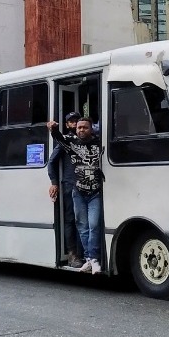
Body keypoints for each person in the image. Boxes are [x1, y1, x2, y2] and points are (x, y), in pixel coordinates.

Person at [47, 117, 104, 274]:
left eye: (85, 127)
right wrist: (53, 129)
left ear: (91, 129)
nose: (81, 130)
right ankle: (89, 259)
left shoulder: (99, 142)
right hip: (77, 192)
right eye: (79, 127)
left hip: (95, 192)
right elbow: (59, 138)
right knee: (82, 227)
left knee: (94, 225)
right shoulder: (71, 143)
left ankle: (94, 258)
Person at [48, 111, 84, 269]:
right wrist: (54, 183)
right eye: (71, 121)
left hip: (85, 185)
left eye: (77, 120)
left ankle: (85, 253)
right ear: (67, 125)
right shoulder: (66, 141)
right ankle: (72, 254)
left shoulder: (87, 140)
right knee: (70, 220)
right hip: (69, 185)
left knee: (83, 221)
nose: (75, 123)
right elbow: (51, 162)